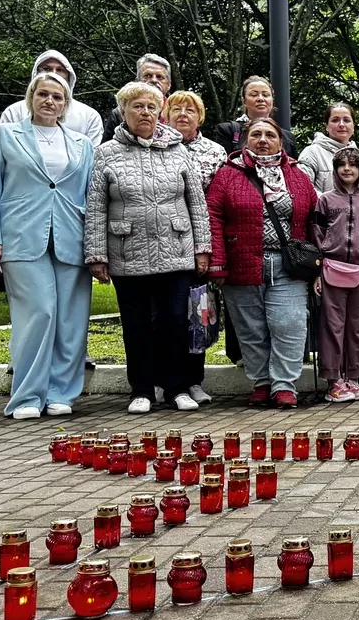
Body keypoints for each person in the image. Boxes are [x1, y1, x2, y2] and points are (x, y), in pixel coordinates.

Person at [86, 82, 212, 414]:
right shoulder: (106, 153)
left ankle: (177, 388)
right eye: (137, 106)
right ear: (124, 112)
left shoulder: (179, 150)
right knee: (137, 325)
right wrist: (96, 254)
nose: (145, 112)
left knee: (174, 322)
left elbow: (196, 204)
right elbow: (96, 206)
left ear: (160, 112)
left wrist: (203, 248)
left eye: (151, 107)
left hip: (176, 250)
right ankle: (141, 389)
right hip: (128, 254)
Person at [0, 72, 95, 419]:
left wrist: (95, 244)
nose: (50, 101)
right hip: (21, 236)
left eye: (57, 97)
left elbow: (89, 194)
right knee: (38, 314)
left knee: (71, 321)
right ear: (31, 97)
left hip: (71, 237)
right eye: (43, 94)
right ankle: (27, 395)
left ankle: (62, 392)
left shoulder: (81, 144)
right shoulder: (5, 135)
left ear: (66, 103)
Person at [204, 119, 317, 409]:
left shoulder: (298, 175)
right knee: (250, 327)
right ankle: (262, 382)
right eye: (256, 134)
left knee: (288, 323)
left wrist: (318, 264)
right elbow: (213, 216)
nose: (263, 140)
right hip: (242, 261)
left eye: (270, 135)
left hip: (288, 264)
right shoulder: (228, 174)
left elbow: (313, 217)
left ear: (281, 142)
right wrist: (217, 262)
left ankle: (284, 385)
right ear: (245, 141)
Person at [310, 145, 359, 403]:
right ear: (335, 170)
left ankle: (355, 378)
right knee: (332, 326)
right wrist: (317, 270)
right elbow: (316, 236)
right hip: (330, 269)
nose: (347, 168)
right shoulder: (325, 201)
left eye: (353, 164)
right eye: (342, 164)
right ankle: (334, 380)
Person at [164, 90, 227, 404]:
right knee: (164, 315)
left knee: (198, 313)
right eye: (176, 109)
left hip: (200, 244)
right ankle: (165, 380)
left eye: (190, 109)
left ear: (200, 117)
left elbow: (217, 202)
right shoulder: (158, 146)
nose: (183, 114)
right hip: (162, 245)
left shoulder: (215, 152)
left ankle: (194, 380)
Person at [0, 50, 104, 142]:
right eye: (46, 69)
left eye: (60, 70)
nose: (54, 73)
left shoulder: (89, 116)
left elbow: (92, 157)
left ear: (69, 76)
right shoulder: (14, 112)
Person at [211, 76, 298, 157]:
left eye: (265, 95)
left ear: (272, 100)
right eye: (254, 95)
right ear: (244, 100)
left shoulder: (287, 137)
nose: (260, 99)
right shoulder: (228, 130)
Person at [101, 53, 173, 142]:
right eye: (147, 76)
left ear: (169, 84)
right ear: (137, 81)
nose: (154, 80)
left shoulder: (179, 111)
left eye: (160, 77)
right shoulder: (120, 112)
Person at [298, 102, 359, 192]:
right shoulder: (312, 153)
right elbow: (302, 188)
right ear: (326, 126)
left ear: (353, 126)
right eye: (335, 120)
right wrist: (330, 203)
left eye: (346, 120)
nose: (341, 124)